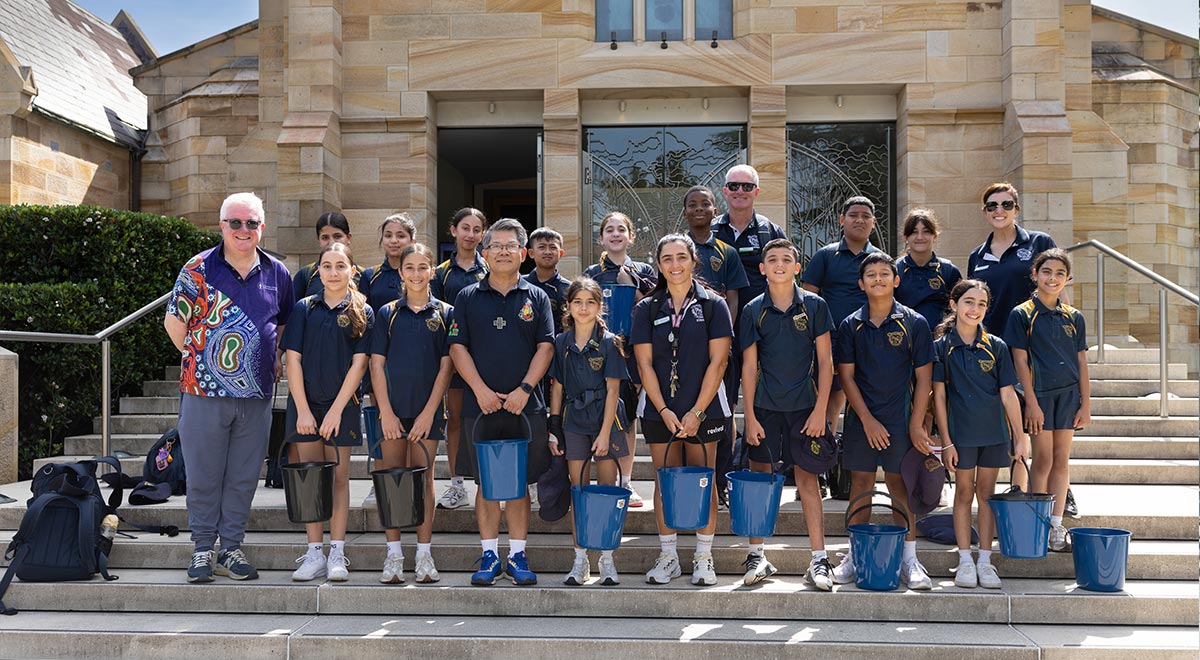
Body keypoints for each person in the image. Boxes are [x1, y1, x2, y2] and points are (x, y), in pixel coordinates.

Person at [164, 192, 293, 583]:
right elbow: (175, 324)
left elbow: (282, 323)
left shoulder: (277, 272)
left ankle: (232, 548)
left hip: (255, 395)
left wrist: (269, 360)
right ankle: (203, 549)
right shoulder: (197, 268)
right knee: (204, 473)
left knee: (243, 474)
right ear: (221, 225)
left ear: (262, 228)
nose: (243, 230)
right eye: (235, 222)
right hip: (203, 393)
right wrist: (205, 362)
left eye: (251, 223)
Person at [449, 218, 554, 586]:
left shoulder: (537, 297)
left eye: (511, 246)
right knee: (486, 483)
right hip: (482, 408)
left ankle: (519, 554)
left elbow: (546, 346)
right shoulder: (467, 297)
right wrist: (478, 389)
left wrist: (525, 389)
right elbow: (457, 347)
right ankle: (490, 554)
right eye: (497, 246)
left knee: (520, 482)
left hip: (526, 407)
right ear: (485, 252)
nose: (504, 251)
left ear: (523, 254)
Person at [631, 234, 734, 586]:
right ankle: (669, 555)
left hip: (704, 410)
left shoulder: (713, 305)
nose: (675, 265)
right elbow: (644, 365)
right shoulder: (647, 308)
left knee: (704, 481)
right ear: (658, 265)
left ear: (694, 260)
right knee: (665, 481)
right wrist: (663, 410)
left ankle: (704, 557)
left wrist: (697, 413)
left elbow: (719, 362)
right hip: (661, 411)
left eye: (681, 257)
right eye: (667, 259)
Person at [831, 252, 935, 591]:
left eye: (884, 274)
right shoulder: (850, 324)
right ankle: (853, 555)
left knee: (897, 486)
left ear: (896, 280)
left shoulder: (914, 323)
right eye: (871, 275)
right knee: (860, 485)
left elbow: (923, 380)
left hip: (899, 420)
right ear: (861, 284)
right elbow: (846, 377)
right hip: (862, 419)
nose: (878, 279)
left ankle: (909, 559)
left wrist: (917, 424)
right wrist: (867, 420)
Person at [739, 239, 836, 590]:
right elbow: (749, 367)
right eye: (772, 259)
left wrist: (821, 410)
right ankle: (757, 555)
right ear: (762, 268)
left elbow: (825, 362)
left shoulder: (815, 305)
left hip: (806, 409)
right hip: (765, 408)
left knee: (808, 482)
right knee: (760, 481)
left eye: (786, 259)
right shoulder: (752, 309)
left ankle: (819, 560)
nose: (779, 264)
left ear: (797, 267)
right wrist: (748, 416)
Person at [966, 182, 1070, 505]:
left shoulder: (1039, 243)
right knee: (1013, 420)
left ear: (1017, 209)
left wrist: (1065, 334)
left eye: (1007, 204)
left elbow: (1059, 292)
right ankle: (1017, 488)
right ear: (985, 211)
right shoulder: (977, 256)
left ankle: (1060, 494)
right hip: (995, 349)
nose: (1000, 211)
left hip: (1035, 347)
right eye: (993, 205)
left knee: (1043, 426)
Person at [282, 243, 373, 583]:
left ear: (352, 271)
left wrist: (336, 410)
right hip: (306, 406)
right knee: (310, 477)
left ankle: (337, 551)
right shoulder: (305, 308)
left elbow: (359, 363)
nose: (333, 272)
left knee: (338, 477)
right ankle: (314, 552)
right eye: (327, 266)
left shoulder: (362, 310)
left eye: (340, 266)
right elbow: (292, 359)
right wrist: (304, 410)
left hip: (342, 407)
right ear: (318, 271)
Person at [932, 279, 1029, 589]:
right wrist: (945, 441)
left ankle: (985, 561)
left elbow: (1008, 395)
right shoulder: (941, 347)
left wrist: (1020, 435)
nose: (974, 309)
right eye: (968, 302)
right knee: (963, 493)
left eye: (981, 304)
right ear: (954, 304)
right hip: (961, 435)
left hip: (994, 433)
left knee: (987, 495)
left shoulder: (997, 346)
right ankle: (964, 560)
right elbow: (939, 399)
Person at [369, 243, 455, 584]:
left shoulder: (446, 313)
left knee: (423, 478)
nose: (417, 274)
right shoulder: (387, 313)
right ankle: (393, 555)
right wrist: (386, 412)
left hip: (427, 412)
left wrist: (428, 413)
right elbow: (377, 365)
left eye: (423, 267)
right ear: (401, 272)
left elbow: (446, 368)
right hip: (392, 410)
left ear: (432, 271)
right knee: (391, 476)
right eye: (410, 268)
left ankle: (423, 554)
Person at [1004, 249, 1090, 553]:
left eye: (1059, 274)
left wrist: (1086, 404)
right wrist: (1031, 402)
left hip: (1068, 396)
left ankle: (1055, 525)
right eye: (1047, 272)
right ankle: (1037, 522)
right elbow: (1019, 359)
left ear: (1068, 279)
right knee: (1042, 460)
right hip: (1039, 396)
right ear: (1035, 274)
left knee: (1061, 460)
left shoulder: (1074, 317)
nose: (1052, 278)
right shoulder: (1022, 313)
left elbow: (1081, 362)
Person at [548, 278, 630, 586]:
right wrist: (554, 428)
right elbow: (556, 389)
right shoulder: (561, 342)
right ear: (568, 306)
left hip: (605, 421)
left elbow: (613, 391)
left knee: (606, 490)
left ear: (599, 307)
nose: (584, 308)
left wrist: (605, 433)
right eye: (578, 302)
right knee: (579, 491)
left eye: (590, 302)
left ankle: (607, 559)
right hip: (574, 422)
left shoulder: (609, 341)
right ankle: (580, 559)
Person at [584, 211, 657, 507]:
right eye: (609, 230)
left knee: (626, 419)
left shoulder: (644, 270)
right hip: (597, 353)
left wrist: (632, 282)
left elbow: (654, 307)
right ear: (601, 238)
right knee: (595, 414)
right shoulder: (591, 274)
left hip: (632, 353)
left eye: (621, 230)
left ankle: (626, 483)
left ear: (631, 236)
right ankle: (600, 481)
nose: (615, 235)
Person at [686, 184, 750, 505]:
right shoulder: (677, 249)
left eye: (705, 204)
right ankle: (688, 484)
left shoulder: (728, 252)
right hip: (684, 353)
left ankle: (720, 484)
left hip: (720, 350)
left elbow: (734, 298)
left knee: (723, 419)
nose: (699, 209)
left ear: (715, 211)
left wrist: (721, 336)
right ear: (685, 212)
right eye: (693, 205)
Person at [802, 196, 883, 430]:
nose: (859, 220)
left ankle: (852, 444)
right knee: (832, 391)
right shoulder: (825, 256)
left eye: (866, 216)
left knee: (865, 392)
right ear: (841, 220)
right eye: (853, 215)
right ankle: (827, 440)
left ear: (874, 222)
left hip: (869, 338)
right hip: (831, 339)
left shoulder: (879, 260)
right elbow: (808, 298)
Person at [432, 208, 489, 511]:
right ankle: (457, 485)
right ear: (453, 231)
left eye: (477, 229)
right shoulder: (441, 273)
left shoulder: (490, 268)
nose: (470, 234)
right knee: (454, 420)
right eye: (464, 228)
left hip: (484, 358)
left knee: (483, 420)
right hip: (452, 358)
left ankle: (487, 482)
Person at [895, 209, 962, 328]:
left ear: (935, 235)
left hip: (938, 341)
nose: (920, 237)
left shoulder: (949, 270)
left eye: (926, 231)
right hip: (905, 340)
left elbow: (959, 311)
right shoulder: (895, 270)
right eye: (914, 232)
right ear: (906, 236)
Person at [292, 212, 363, 302]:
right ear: (319, 240)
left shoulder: (364, 275)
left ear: (349, 237)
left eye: (337, 236)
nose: (332, 242)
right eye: (325, 238)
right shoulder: (305, 274)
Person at [359, 213, 415, 312]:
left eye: (400, 236)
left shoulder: (421, 275)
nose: (393, 240)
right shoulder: (369, 275)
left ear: (412, 241)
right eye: (388, 235)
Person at [525, 228, 572, 335]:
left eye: (553, 247)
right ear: (531, 253)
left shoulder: (569, 289)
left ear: (561, 253)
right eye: (541, 247)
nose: (547, 252)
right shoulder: (519, 285)